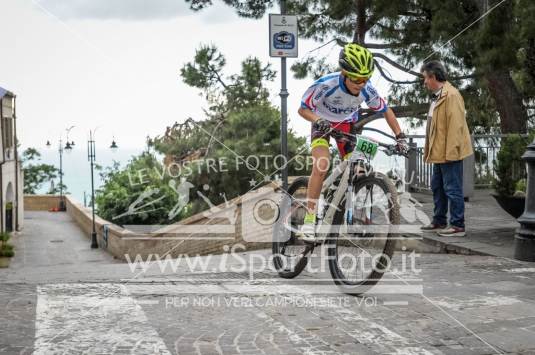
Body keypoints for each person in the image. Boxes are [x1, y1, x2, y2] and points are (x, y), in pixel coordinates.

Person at [296, 43, 408, 242]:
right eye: (357, 78)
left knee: (359, 168)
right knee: (322, 165)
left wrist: (400, 136)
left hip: (345, 126)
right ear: (344, 73)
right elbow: (303, 109)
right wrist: (318, 121)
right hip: (320, 123)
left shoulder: (367, 90)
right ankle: (309, 219)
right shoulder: (326, 85)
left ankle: (355, 213)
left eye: (366, 79)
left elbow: (386, 111)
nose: (361, 83)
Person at [420, 60, 474, 237]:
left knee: (452, 188)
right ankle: (439, 220)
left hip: (448, 152)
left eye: (425, 78)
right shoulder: (439, 95)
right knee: (438, 187)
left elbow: (456, 126)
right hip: (439, 152)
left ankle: (458, 225)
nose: (424, 82)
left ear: (433, 76)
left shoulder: (451, 95)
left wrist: (451, 153)